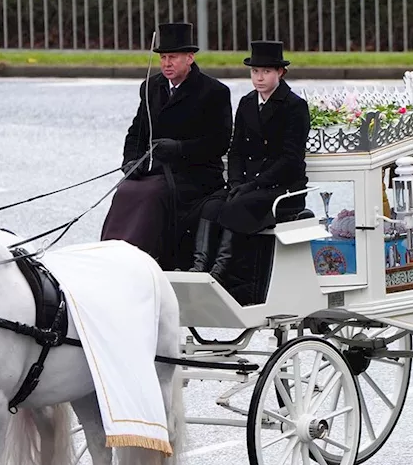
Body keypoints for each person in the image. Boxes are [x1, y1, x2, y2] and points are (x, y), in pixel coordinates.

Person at [101, 22, 232, 270]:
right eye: (163, 57)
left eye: (173, 57)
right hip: (157, 170)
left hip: (196, 174)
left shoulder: (213, 91)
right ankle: (112, 258)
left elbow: (219, 142)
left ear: (190, 58)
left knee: (151, 194)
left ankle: (142, 261)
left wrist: (180, 148)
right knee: (126, 190)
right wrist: (130, 161)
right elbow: (136, 131)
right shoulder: (151, 87)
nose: (167, 63)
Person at [191, 40, 311, 283]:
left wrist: (253, 184)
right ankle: (200, 265)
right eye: (255, 71)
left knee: (237, 205)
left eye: (266, 71)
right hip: (246, 184)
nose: (259, 77)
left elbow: (290, 159)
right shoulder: (247, 102)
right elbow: (236, 150)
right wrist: (236, 181)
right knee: (210, 205)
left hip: (280, 186)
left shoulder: (295, 106)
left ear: (280, 72)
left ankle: (221, 271)